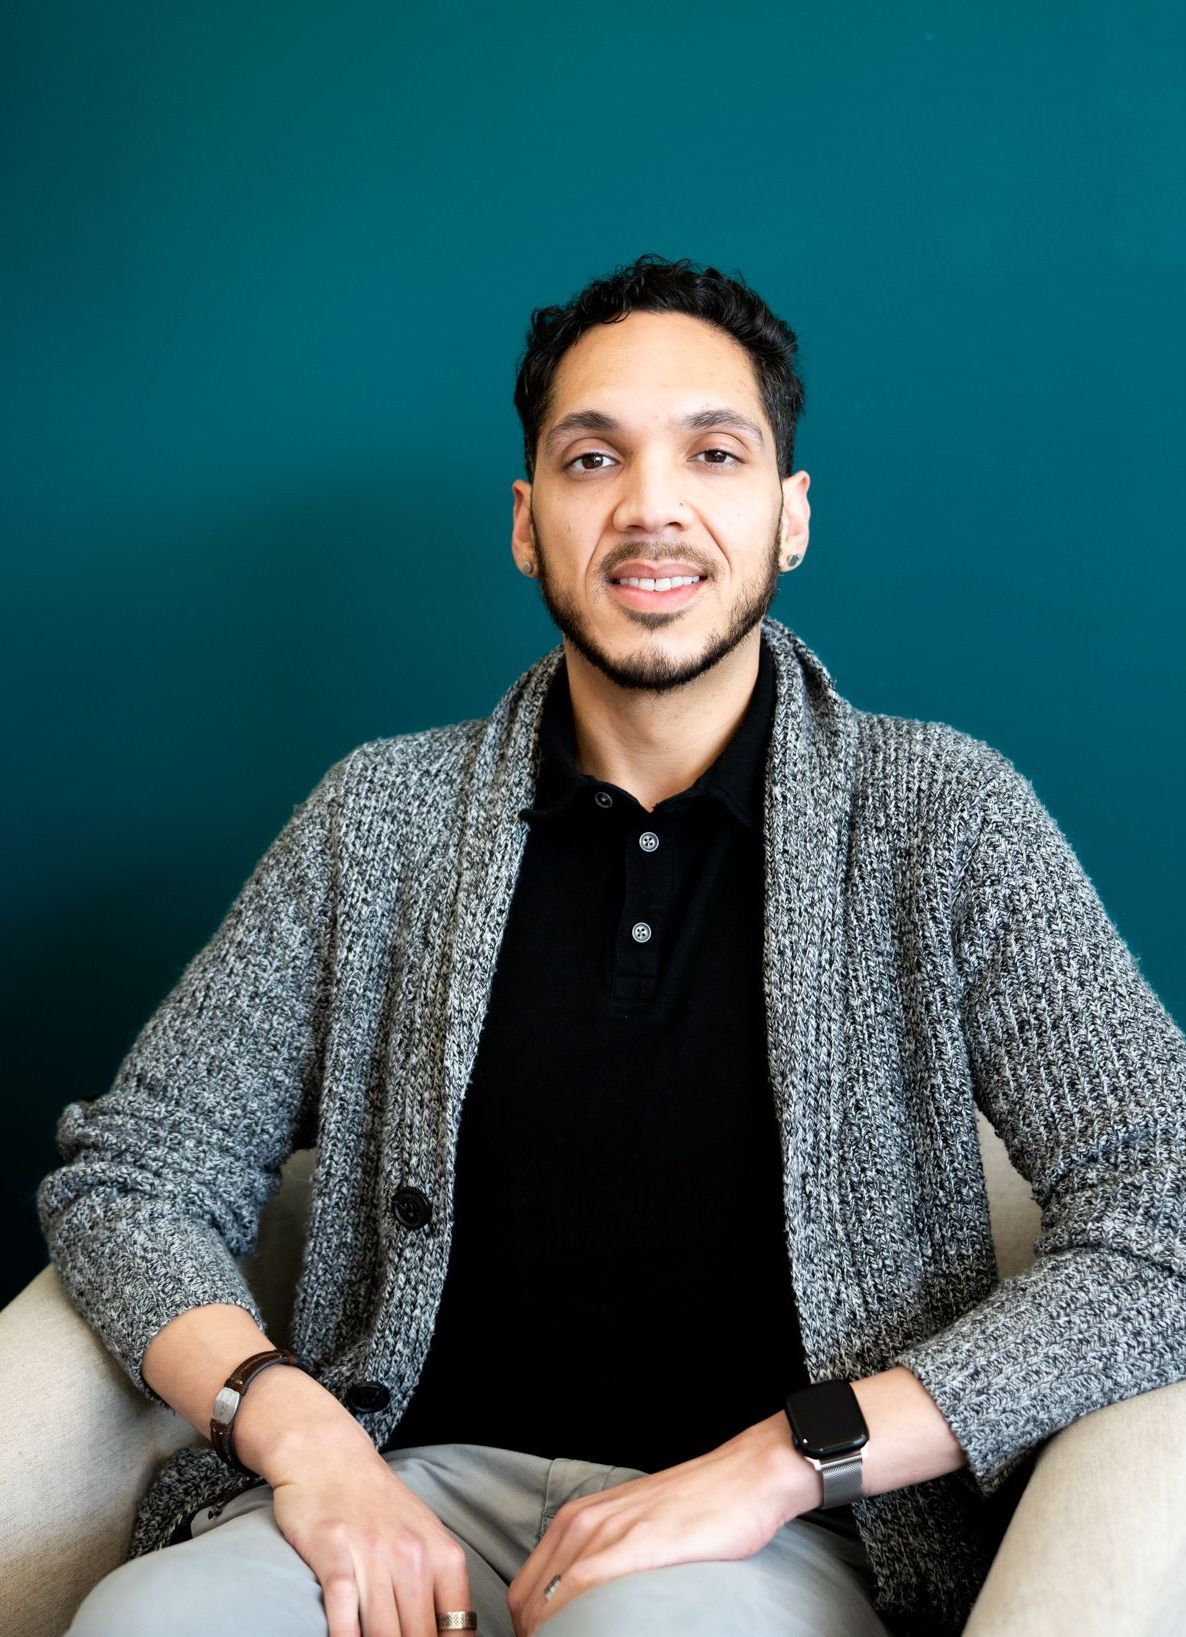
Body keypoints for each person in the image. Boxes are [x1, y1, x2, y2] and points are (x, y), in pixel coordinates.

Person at [39, 254, 1186, 1637]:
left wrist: (787, 1457)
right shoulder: (378, 818)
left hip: (774, 1537)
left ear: (789, 514)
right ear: (529, 524)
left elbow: (1163, 1207)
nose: (652, 507)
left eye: (713, 451)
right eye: (593, 458)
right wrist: (307, 1440)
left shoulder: (943, 819)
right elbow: (134, 1175)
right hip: (407, 1489)